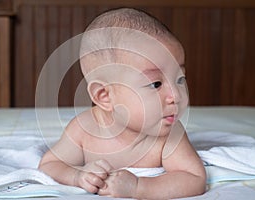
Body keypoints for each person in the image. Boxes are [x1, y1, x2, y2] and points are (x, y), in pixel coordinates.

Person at [39, 7, 206, 199]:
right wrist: (77, 176)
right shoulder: (84, 130)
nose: (176, 95)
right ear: (105, 96)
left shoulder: (169, 135)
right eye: (156, 84)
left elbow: (194, 178)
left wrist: (139, 187)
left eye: (180, 79)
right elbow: (49, 165)